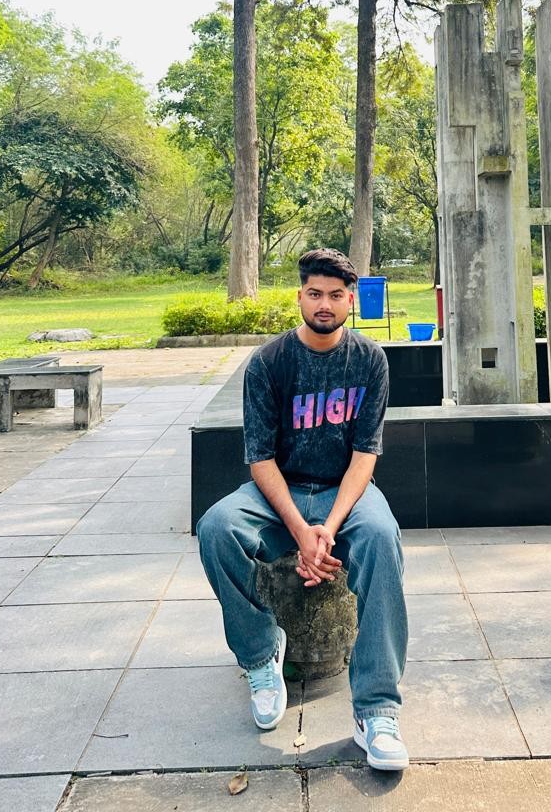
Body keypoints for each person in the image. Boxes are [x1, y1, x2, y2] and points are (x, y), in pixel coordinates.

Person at [196, 248, 409, 772]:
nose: (324, 304)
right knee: (217, 527)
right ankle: (260, 654)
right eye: (315, 293)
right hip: (278, 492)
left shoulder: (370, 360)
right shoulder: (269, 362)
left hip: (344, 491)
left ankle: (376, 710)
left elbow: (365, 455)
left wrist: (327, 530)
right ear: (300, 297)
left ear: (351, 300)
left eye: (336, 295)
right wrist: (299, 528)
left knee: (381, 538)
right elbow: (260, 459)